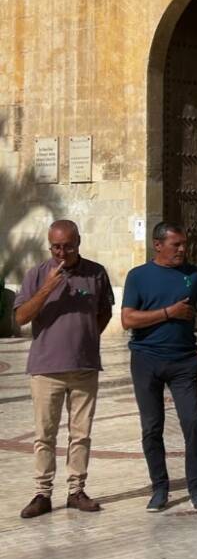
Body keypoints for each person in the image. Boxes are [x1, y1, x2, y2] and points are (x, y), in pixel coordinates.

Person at [14, 220, 114, 518]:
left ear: (78, 242)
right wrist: (47, 288)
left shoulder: (95, 273)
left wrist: (88, 339)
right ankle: (42, 493)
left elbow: (105, 311)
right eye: (55, 247)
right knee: (45, 435)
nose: (61, 253)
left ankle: (76, 490)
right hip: (46, 369)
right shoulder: (36, 274)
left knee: (80, 433)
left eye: (67, 247)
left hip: (84, 367)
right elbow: (21, 317)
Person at [121, 222, 197, 512]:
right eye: (177, 245)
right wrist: (167, 313)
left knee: (193, 423)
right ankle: (159, 488)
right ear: (158, 245)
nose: (183, 249)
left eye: (185, 244)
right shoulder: (137, 277)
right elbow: (128, 320)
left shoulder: (194, 275)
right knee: (151, 427)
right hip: (146, 360)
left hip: (184, 362)